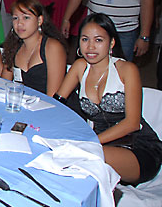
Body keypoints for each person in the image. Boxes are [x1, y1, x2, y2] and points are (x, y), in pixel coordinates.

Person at [56, 13, 162, 185]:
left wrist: (91, 142)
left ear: (111, 43)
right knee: (66, 156)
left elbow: (132, 123)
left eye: (98, 40)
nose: (90, 47)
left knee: (81, 157)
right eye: (85, 39)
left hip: (137, 147)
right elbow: (56, 103)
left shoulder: (126, 69)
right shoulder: (80, 67)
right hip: (100, 145)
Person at [1, 0, 67, 95]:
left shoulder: (52, 47)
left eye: (26, 17)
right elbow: (3, 85)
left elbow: (53, 97)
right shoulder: (13, 46)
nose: (19, 23)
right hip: (23, 101)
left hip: (49, 103)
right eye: (15, 18)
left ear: (39, 20)